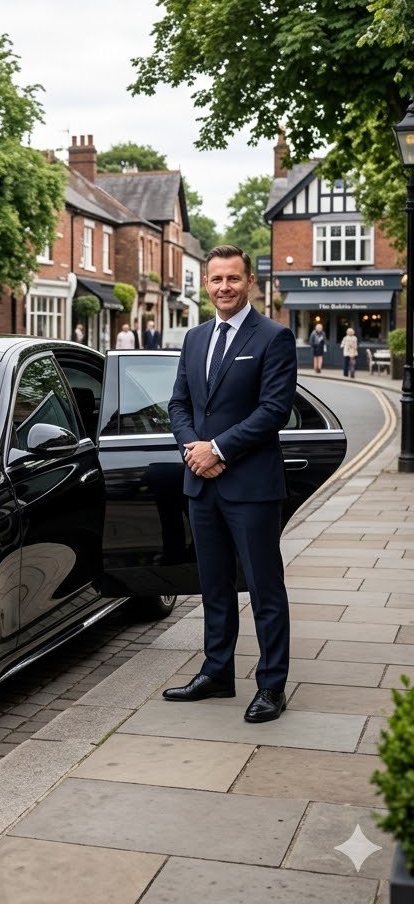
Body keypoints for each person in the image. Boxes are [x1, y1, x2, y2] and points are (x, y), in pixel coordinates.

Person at [164, 245, 297, 724]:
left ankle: (271, 685)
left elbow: (273, 411)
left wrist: (216, 449)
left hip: (252, 487)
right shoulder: (195, 338)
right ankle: (218, 672)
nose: (224, 287)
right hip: (202, 484)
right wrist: (192, 450)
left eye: (233, 279)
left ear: (249, 283)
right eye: (216, 279)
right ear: (206, 285)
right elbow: (178, 404)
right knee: (214, 586)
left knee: (264, 589)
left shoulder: (274, 337)